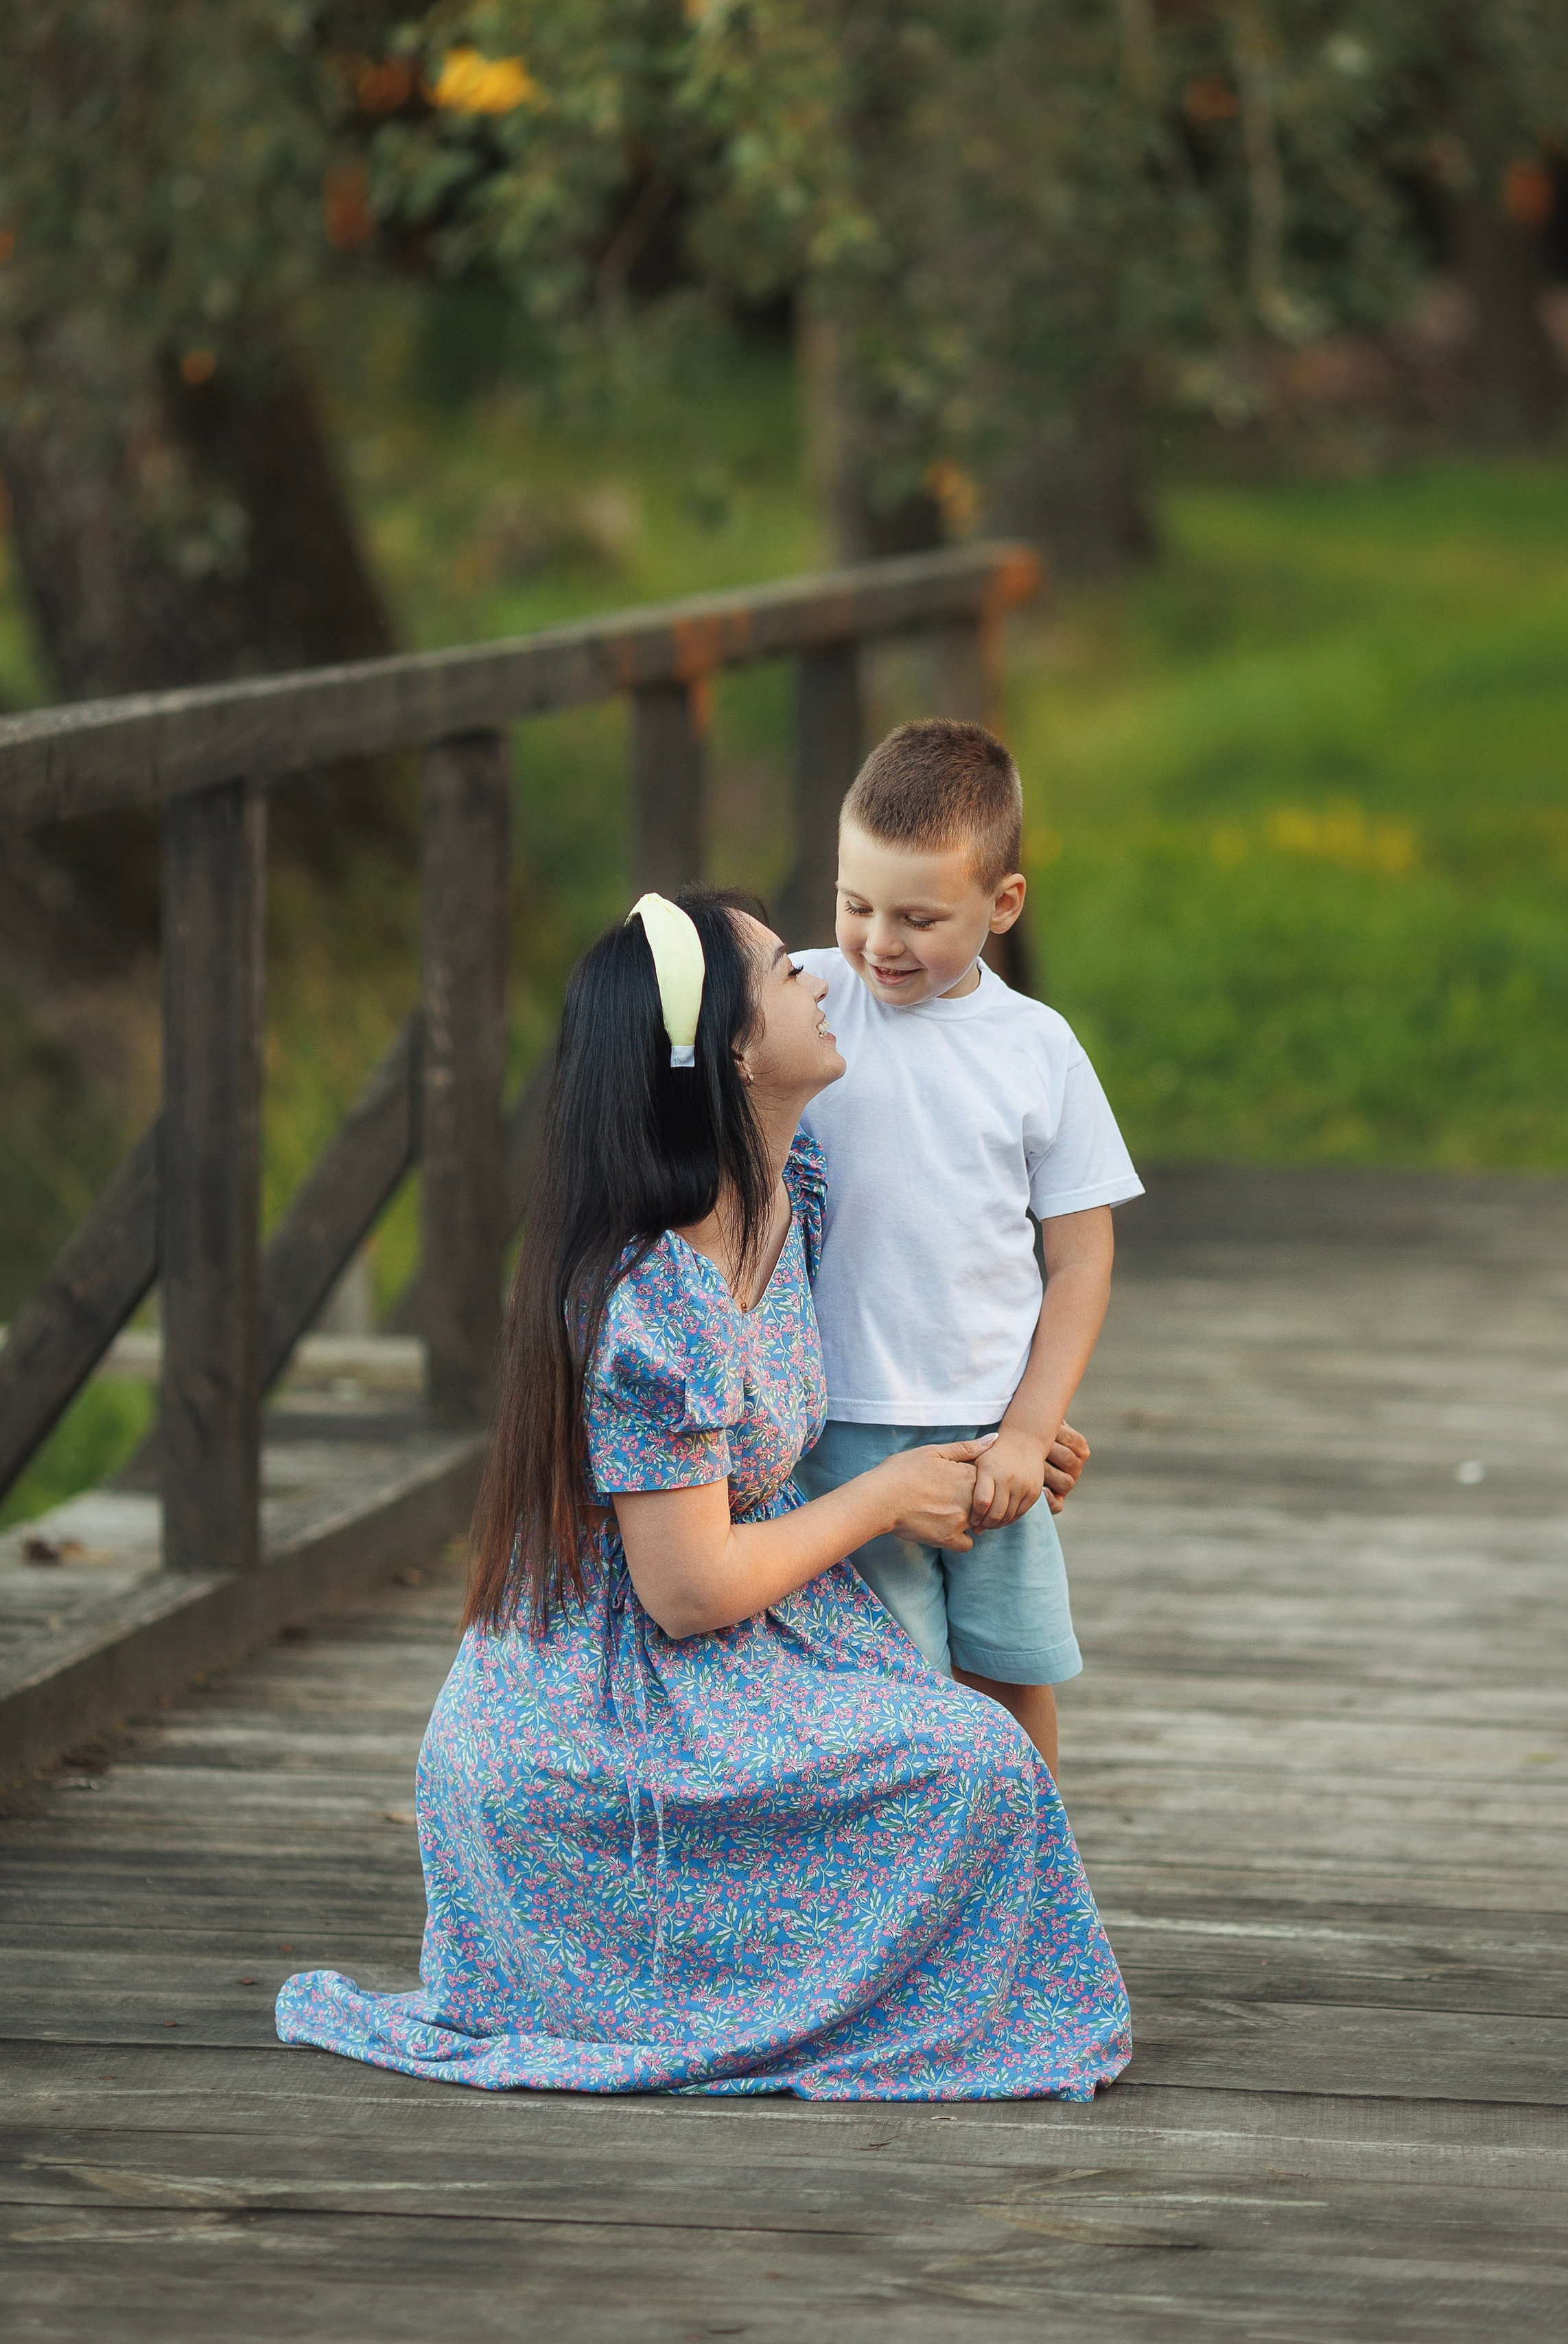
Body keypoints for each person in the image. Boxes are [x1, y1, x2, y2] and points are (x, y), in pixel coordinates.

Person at [276, 886, 1131, 2100]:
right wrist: (889, 1496)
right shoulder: (656, 1296)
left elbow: (926, 1321)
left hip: (740, 1640)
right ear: (735, 1050)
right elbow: (683, 1590)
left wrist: (1016, 1435)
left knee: (978, 1757)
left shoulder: (792, 1197)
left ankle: (849, 1987)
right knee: (973, 1763)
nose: (824, 980)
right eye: (789, 972)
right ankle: (730, 1991)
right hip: (606, 1700)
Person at [793, 719, 1143, 1780]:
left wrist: (1031, 1431)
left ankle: (1024, 1889)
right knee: (880, 1691)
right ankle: (897, 1893)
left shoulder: (1037, 1048)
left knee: (1004, 1672)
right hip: (838, 1425)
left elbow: (1081, 1255)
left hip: (991, 1428)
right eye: (856, 905)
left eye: (919, 916)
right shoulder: (798, 1002)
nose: (879, 942)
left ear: (1002, 906)